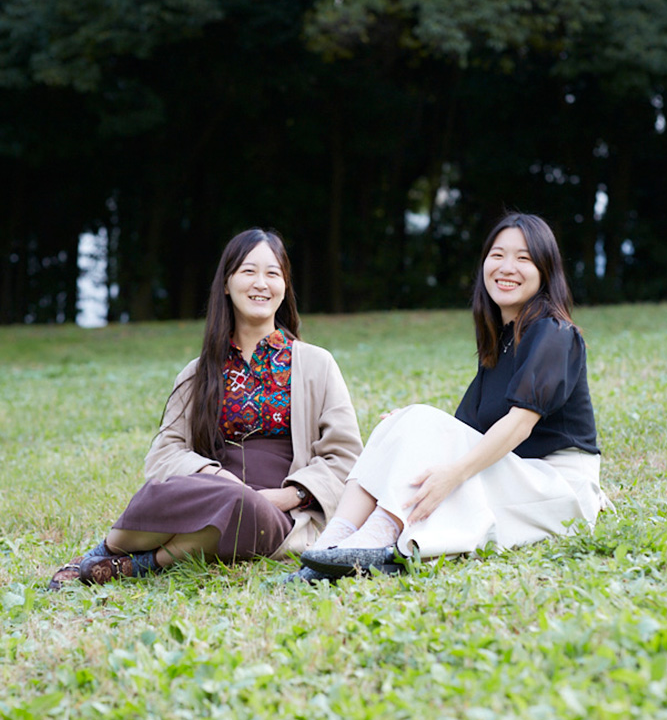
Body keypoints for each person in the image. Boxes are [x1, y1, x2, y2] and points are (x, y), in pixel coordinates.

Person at [294, 212, 612, 581]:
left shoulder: (553, 333)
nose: (507, 267)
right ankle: (334, 540)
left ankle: (377, 537)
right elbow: (459, 431)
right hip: (517, 475)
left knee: (421, 424)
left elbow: (519, 425)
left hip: (556, 488)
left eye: (523, 258)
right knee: (404, 420)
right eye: (498, 255)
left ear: (545, 271)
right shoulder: (503, 341)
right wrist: (404, 427)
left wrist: (454, 475)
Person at [50, 228, 362, 588]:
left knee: (236, 508)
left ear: (284, 287)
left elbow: (346, 457)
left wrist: (288, 496)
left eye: (272, 273)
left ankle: (144, 563)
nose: (261, 283)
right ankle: (103, 552)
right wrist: (216, 477)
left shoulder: (316, 364)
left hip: (278, 515)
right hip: (210, 492)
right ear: (227, 285)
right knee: (166, 492)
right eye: (248, 271)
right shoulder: (198, 372)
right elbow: (165, 454)